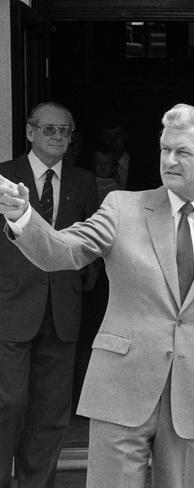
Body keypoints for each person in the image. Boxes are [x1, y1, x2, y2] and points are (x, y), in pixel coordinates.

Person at [0, 103, 194, 488]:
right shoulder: (122, 208)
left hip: (192, 396)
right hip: (121, 388)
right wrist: (23, 217)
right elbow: (63, 250)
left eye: (183, 152)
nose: (169, 159)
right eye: (165, 149)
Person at [0, 101, 99, 488]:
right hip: (10, 306)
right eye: (49, 129)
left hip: (62, 309)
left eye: (65, 131)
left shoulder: (83, 181)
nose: (58, 137)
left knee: (51, 413)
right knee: (7, 404)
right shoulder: (4, 176)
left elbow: (91, 243)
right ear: (30, 132)